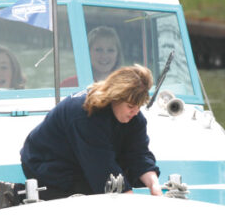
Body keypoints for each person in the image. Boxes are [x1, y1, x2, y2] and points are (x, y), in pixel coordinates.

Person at [20, 65, 161, 200]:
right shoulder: (85, 115)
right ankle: (18, 195)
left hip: (87, 156)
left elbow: (139, 155)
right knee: (88, 190)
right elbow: (101, 168)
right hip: (47, 160)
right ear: (115, 98)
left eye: (139, 106)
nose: (135, 112)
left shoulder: (134, 118)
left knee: (113, 179)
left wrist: (154, 185)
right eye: (130, 106)